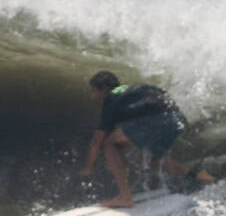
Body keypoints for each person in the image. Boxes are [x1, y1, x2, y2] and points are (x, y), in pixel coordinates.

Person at [78, 70, 213, 207]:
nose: (92, 97)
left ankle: (125, 197)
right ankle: (199, 176)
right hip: (177, 119)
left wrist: (88, 168)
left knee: (109, 144)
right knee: (148, 160)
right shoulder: (133, 91)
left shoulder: (111, 100)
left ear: (104, 89)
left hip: (158, 119)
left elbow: (96, 142)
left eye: (94, 92)